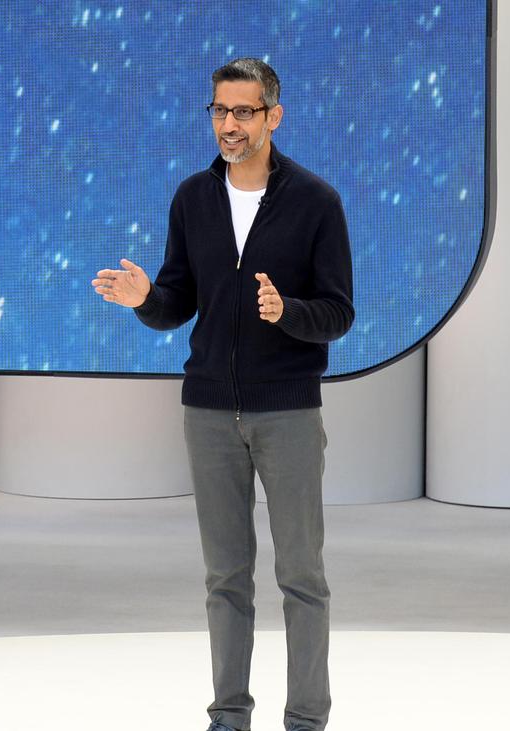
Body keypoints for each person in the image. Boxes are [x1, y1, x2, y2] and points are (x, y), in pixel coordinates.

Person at [91, 58, 354, 731]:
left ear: (273, 116)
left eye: (243, 111)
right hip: (209, 411)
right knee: (225, 576)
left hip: (287, 410)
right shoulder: (192, 198)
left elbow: (338, 312)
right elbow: (178, 301)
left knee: (301, 574)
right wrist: (146, 299)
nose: (229, 124)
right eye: (219, 111)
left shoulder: (316, 201)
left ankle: (306, 719)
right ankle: (228, 716)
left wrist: (287, 312)